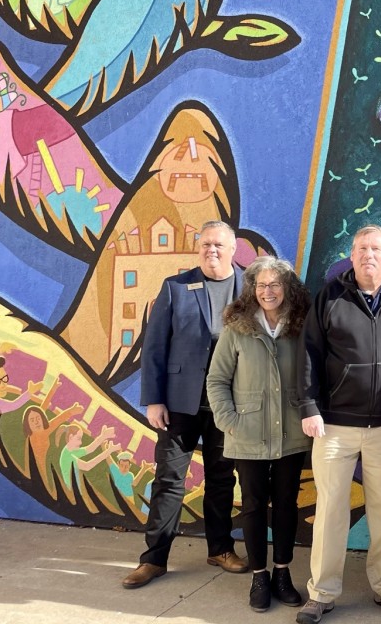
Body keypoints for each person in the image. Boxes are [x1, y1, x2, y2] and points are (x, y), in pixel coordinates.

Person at [300, 225, 381, 624]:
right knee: (331, 510)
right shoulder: (330, 296)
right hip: (335, 425)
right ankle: (322, 592)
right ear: (351, 255)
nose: (368, 255)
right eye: (361, 248)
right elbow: (308, 353)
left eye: (376, 248)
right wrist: (308, 405)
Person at [123, 220, 247, 589]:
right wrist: (153, 400)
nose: (212, 250)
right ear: (198, 248)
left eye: (219, 245)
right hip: (179, 403)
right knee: (169, 481)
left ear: (232, 248)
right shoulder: (176, 287)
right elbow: (155, 346)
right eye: (206, 244)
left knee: (223, 480)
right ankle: (154, 559)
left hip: (229, 404)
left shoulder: (252, 287)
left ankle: (221, 549)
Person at [207, 256, 317, 612]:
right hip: (247, 433)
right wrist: (231, 422)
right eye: (262, 285)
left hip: (291, 433)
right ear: (252, 290)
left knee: (286, 504)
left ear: (287, 289)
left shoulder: (300, 326)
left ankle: (282, 573)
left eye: (275, 284)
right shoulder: (237, 327)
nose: (268, 292)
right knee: (254, 505)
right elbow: (217, 379)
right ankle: (259, 575)